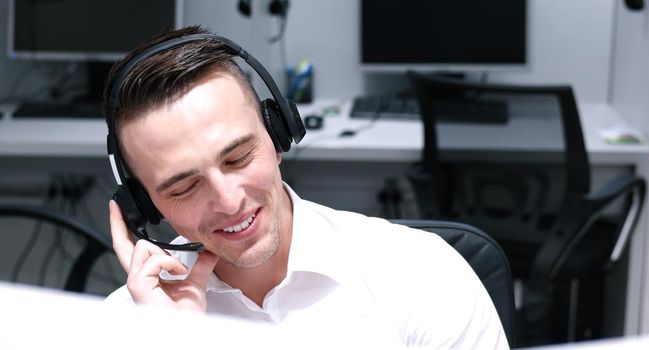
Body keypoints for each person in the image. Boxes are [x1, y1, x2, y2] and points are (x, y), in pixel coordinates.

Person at [103, 25, 509, 349]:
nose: (228, 202)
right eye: (184, 187)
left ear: (279, 134)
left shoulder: (421, 275)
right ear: (144, 204)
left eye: (238, 158)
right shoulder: (130, 326)